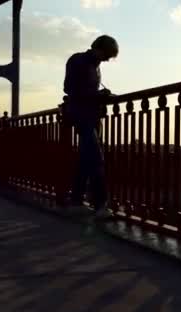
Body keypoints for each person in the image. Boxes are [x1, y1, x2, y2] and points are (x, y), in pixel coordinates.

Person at [63, 35, 119, 219]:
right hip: (81, 115)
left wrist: (99, 96)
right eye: (106, 56)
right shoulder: (77, 60)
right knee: (96, 158)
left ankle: (76, 202)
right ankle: (101, 205)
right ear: (98, 48)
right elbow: (69, 87)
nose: (106, 60)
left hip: (91, 116)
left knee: (85, 159)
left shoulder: (95, 67)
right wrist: (98, 95)